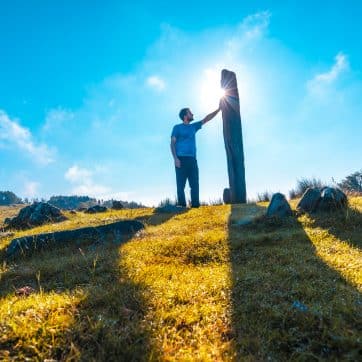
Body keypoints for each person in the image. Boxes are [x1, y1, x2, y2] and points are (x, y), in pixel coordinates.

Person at [170, 106, 220, 208]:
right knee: (180, 186)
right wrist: (175, 158)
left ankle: (195, 206)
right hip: (180, 159)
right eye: (190, 113)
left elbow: (206, 119)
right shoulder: (177, 128)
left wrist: (219, 109)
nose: (192, 114)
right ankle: (181, 207)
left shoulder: (193, 127)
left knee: (194, 184)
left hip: (192, 160)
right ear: (185, 116)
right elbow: (172, 143)